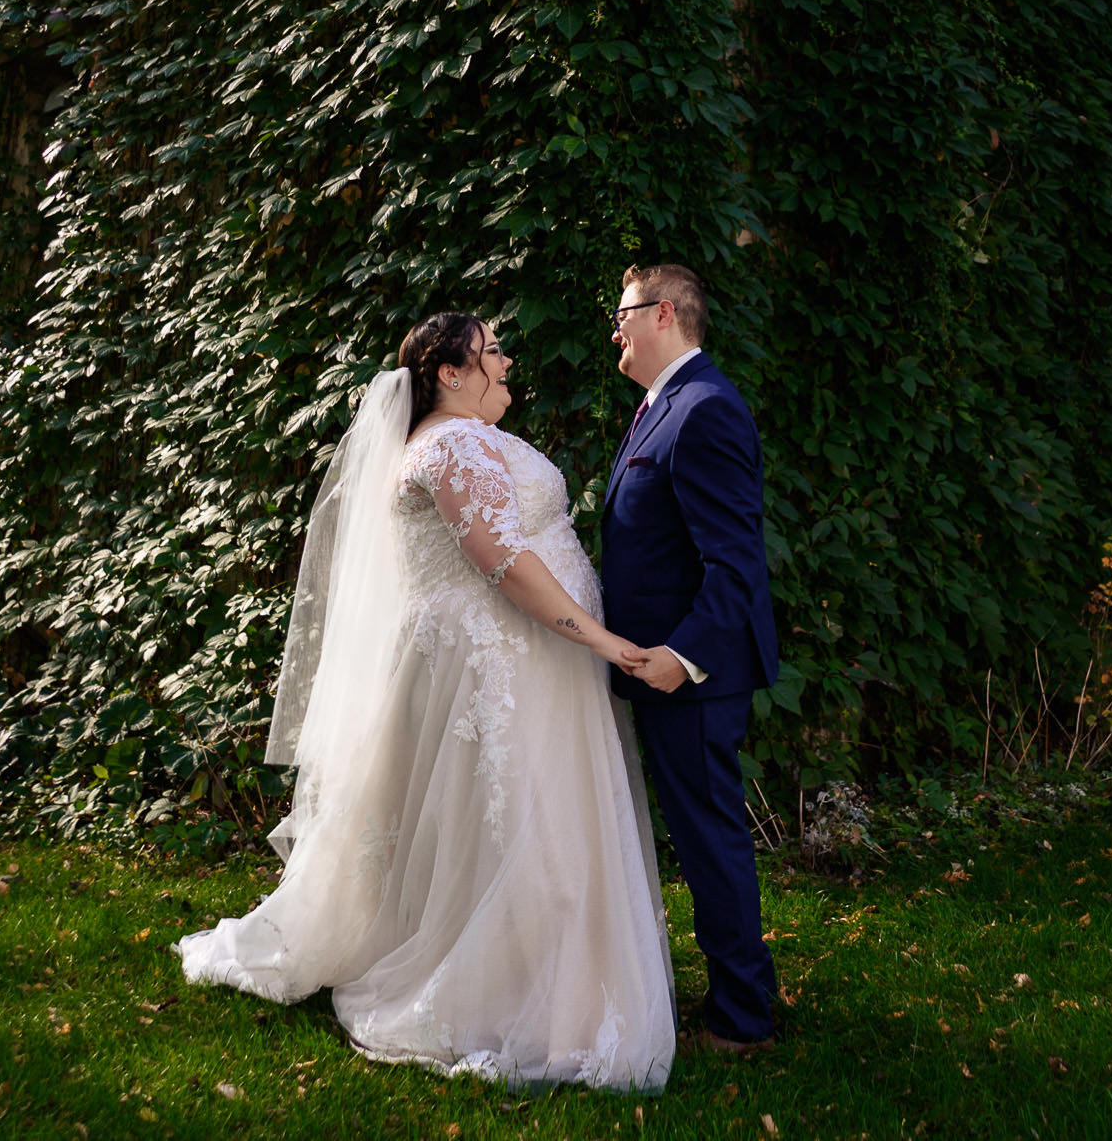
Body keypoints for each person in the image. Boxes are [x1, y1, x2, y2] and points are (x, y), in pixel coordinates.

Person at [176, 314, 676, 1091]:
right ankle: (512, 996)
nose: (508, 360)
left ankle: (561, 983)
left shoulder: (472, 438)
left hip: (529, 665)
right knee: (513, 832)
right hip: (497, 671)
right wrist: (604, 642)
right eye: (493, 351)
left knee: (538, 825)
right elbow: (504, 562)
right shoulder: (449, 444)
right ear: (448, 371)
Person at [601, 264, 783, 1049]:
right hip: (664, 675)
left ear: (663, 313)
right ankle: (742, 999)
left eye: (622, 313)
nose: (615, 328)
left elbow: (736, 562)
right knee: (703, 837)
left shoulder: (703, 408)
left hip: (692, 680)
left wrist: (683, 656)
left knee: (710, 841)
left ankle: (744, 1017)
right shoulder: (659, 406)